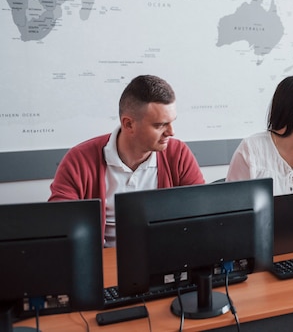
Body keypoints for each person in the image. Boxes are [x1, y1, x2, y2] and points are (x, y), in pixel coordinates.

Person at [49, 75, 205, 247]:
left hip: (163, 261)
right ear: (129, 124)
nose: (171, 132)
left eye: (172, 122)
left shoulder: (178, 153)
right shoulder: (79, 160)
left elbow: (202, 214)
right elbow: (60, 227)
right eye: (160, 125)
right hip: (103, 263)